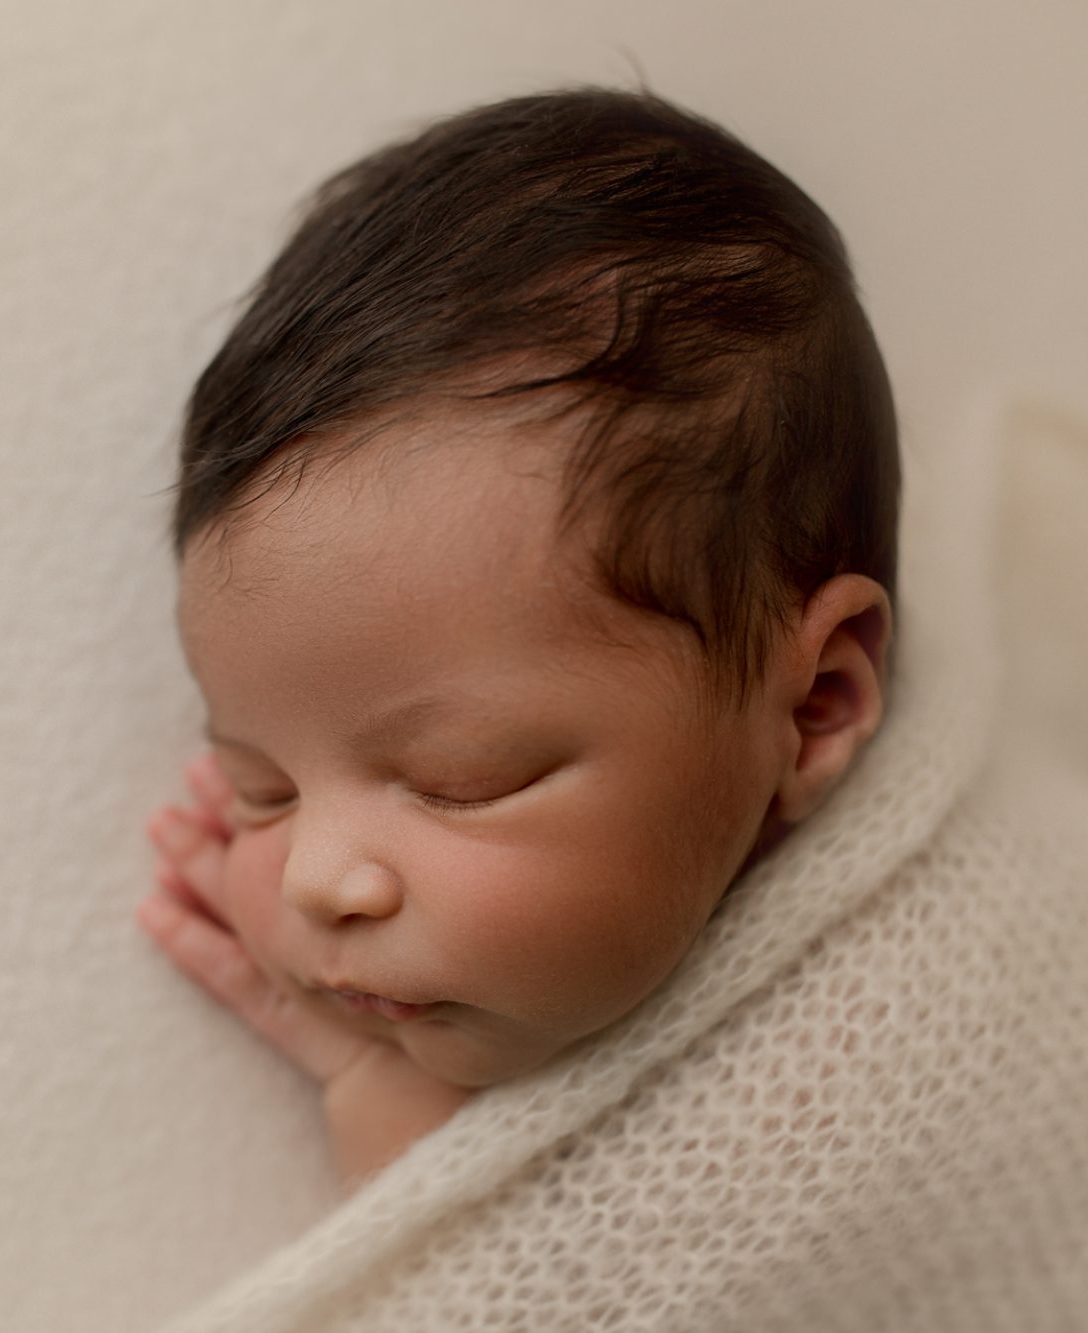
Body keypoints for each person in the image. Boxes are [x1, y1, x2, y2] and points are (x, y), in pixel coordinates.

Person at [137, 86, 897, 1193]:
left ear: (815, 704)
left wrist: (392, 1123)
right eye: (262, 788)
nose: (313, 879)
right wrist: (375, 1089)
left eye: (459, 781)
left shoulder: (881, 1046)